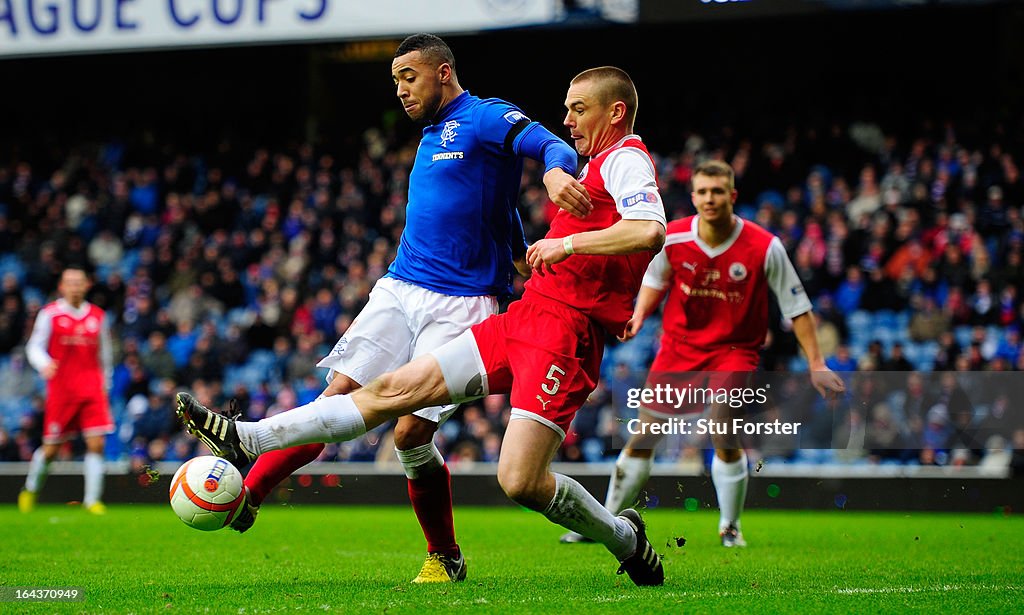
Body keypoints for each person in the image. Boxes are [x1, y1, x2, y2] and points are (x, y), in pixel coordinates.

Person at [177, 66, 668, 586]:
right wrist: (528, 254)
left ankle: (622, 539)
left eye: (577, 108)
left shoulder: (621, 158)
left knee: (516, 480)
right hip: (516, 313)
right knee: (387, 391)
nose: (567, 119)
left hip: (555, 334)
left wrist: (561, 239)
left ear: (615, 112)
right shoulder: (455, 138)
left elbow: (648, 229)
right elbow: (498, 206)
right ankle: (247, 440)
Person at [561, 160, 846, 547]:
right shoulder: (673, 238)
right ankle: (608, 522)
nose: (710, 198)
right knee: (644, 435)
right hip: (678, 350)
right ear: (693, 196)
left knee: (722, 424)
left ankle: (730, 527)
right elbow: (655, 281)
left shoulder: (765, 246)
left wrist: (816, 363)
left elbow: (797, 307)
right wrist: (641, 315)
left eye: (718, 191)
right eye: (703, 191)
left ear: (732, 196)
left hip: (734, 352)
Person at [20, 266, 114, 515]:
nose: (75, 286)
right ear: (61, 286)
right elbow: (34, 347)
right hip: (62, 390)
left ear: (87, 285)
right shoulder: (50, 314)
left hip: (92, 389)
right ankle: (30, 489)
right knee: (51, 449)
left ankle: (92, 500)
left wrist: (106, 383)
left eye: (79, 282)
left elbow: (105, 354)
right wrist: (44, 364)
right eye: (70, 282)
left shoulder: (98, 316)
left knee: (96, 445)